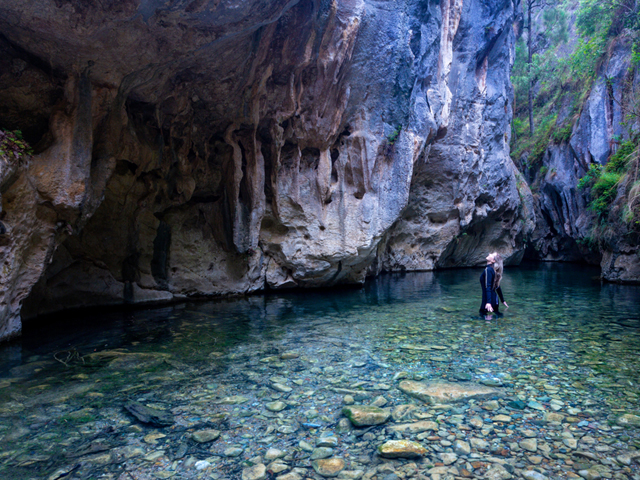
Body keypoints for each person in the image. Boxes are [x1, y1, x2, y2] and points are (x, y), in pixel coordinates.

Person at [479, 252, 508, 316]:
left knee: (482, 318)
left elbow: (488, 286)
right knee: (495, 320)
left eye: (492, 254)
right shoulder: (493, 270)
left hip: (488, 301)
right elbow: (497, 287)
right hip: (495, 301)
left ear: (493, 260)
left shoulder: (488, 269)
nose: (489, 253)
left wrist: (488, 302)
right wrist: (502, 300)